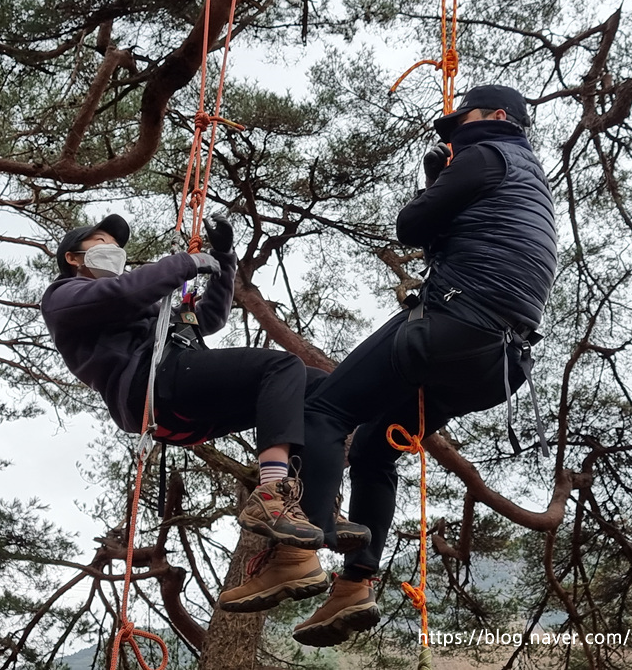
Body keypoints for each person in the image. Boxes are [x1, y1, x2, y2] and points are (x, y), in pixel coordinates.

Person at [221, 85, 558, 646]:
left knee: (324, 409)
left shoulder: (489, 152)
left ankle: (299, 553)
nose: (452, 135)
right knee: (376, 451)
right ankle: (355, 584)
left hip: (455, 324)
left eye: (462, 122)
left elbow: (412, 226)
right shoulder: (531, 184)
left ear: (498, 118)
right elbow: (452, 241)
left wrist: (437, 185)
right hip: (499, 361)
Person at [41, 213, 369, 604]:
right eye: (100, 241)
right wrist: (185, 263)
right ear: (73, 258)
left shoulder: (151, 307)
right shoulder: (64, 297)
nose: (112, 250)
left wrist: (223, 258)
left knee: (317, 387)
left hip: (185, 392)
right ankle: (271, 493)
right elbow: (122, 294)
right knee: (281, 366)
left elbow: (208, 318)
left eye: (117, 245)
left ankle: (312, 519)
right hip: (152, 386)